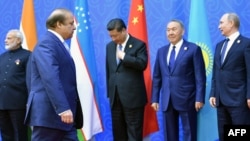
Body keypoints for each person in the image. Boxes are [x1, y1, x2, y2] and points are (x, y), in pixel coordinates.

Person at [24, 8, 83, 141]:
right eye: (71, 23)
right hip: (50, 116)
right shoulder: (47, 43)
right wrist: (62, 108)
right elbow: (50, 77)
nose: (74, 27)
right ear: (59, 24)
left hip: (64, 118)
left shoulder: (58, 44)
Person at [151, 19, 206, 141]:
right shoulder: (162, 51)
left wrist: (199, 98)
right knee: (169, 135)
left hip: (188, 98)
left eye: (174, 29)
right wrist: (155, 98)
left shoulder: (193, 49)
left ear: (182, 31)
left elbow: (200, 76)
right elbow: (157, 76)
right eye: (168, 30)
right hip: (167, 99)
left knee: (189, 133)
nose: (170, 32)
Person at [209, 13, 250, 141]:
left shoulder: (246, 44)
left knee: (239, 135)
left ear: (231, 23)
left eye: (221, 23)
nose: (219, 26)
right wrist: (213, 93)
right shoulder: (219, 46)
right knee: (224, 136)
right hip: (221, 101)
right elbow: (217, 71)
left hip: (239, 100)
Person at [106, 18, 148, 141]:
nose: (113, 39)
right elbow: (109, 70)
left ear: (124, 30)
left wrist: (125, 56)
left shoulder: (138, 45)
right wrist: (110, 94)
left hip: (133, 98)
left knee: (134, 133)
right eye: (111, 36)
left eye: (115, 35)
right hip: (115, 98)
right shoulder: (110, 47)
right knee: (118, 133)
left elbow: (142, 64)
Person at [0, 29, 30, 141]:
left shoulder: (28, 56)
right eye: (6, 38)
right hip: (2, 103)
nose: (5, 40)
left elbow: (31, 79)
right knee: (5, 134)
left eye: (9, 38)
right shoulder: (2, 57)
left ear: (18, 40)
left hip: (19, 104)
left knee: (20, 134)